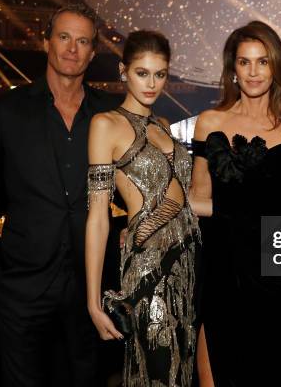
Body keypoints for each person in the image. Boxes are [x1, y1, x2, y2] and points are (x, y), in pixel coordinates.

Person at [0, 4, 119, 387]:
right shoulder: (6, 110)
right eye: (64, 37)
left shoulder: (111, 114)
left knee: (86, 379)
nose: (72, 49)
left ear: (93, 52)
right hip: (21, 283)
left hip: (91, 286)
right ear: (46, 42)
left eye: (83, 41)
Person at [189, 21, 281, 386]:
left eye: (262, 62)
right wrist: (147, 218)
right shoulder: (210, 122)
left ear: (276, 66)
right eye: (245, 63)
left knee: (273, 372)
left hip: (276, 274)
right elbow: (198, 198)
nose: (253, 72)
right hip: (223, 267)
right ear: (233, 69)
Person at [85, 30, 200, 386]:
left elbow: (185, 198)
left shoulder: (163, 125)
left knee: (182, 371)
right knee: (160, 371)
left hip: (189, 263)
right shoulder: (106, 125)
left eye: (160, 74)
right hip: (149, 269)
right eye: (142, 73)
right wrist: (93, 302)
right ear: (124, 71)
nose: (152, 83)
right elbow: (98, 216)